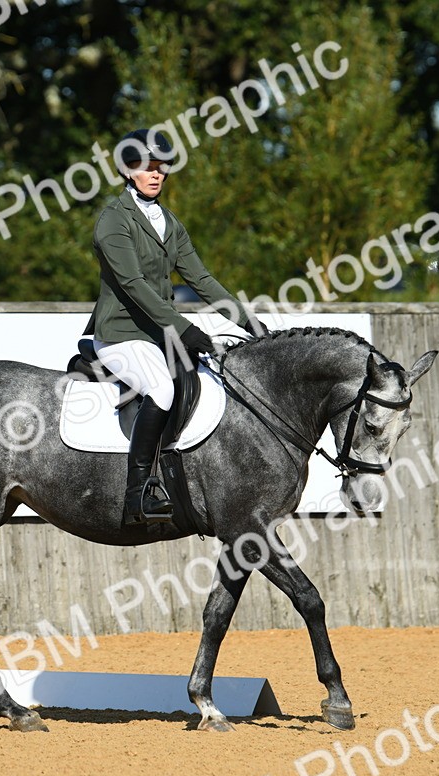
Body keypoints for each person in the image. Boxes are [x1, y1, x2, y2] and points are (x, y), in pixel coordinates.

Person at [83, 128, 267, 528]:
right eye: (146, 166)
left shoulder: (169, 222)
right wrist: (184, 329)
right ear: (128, 170)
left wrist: (248, 321)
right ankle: (139, 493)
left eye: (161, 167)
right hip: (120, 333)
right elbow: (133, 285)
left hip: (157, 333)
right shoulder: (113, 221)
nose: (155, 174)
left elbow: (201, 279)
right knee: (162, 388)